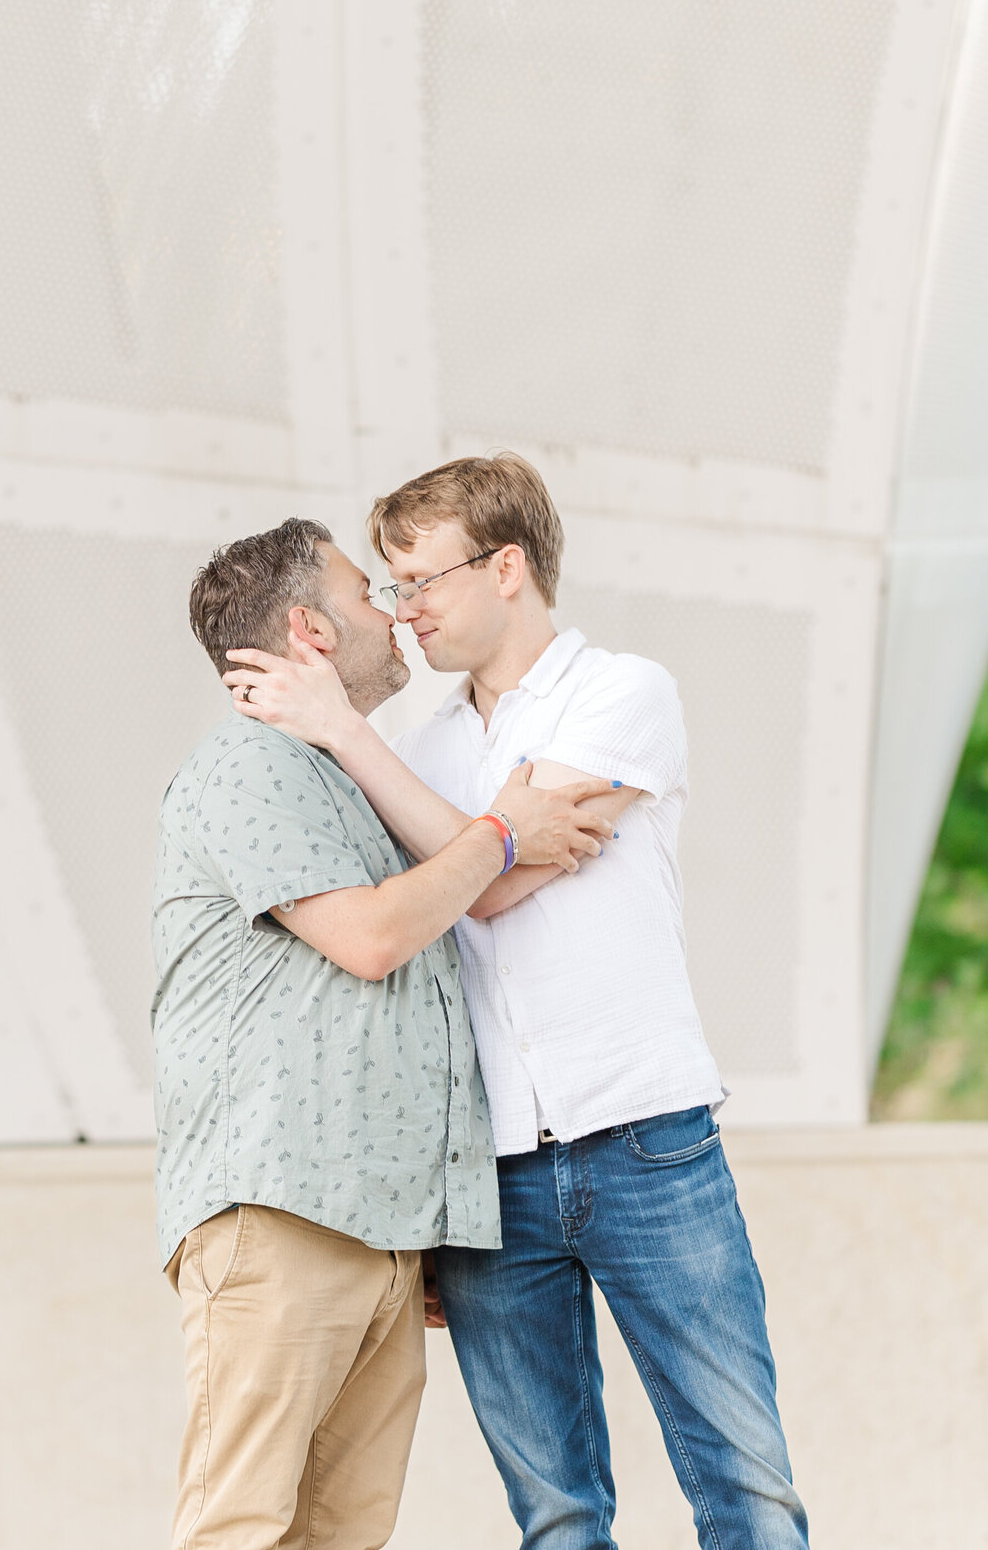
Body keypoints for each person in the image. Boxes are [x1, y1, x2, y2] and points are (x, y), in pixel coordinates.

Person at [224, 454, 810, 1550]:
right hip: (492, 1180)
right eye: (389, 588)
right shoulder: (422, 749)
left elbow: (489, 888)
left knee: (747, 1487)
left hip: (649, 1144)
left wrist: (358, 744)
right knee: (554, 1515)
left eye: (421, 582)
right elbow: (451, 887)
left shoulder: (624, 693)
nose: (404, 615)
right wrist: (477, 817)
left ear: (507, 568)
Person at [152, 515, 615, 1550]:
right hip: (280, 1220)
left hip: (381, 1237)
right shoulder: (250, 768)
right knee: (242, 1526)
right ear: (312, 630)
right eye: (370, 594)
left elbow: (410, 1018)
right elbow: (370, 941)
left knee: (341, 1535)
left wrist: (434, 1229)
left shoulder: (350, 782)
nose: (396, 611)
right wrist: (501, 835)